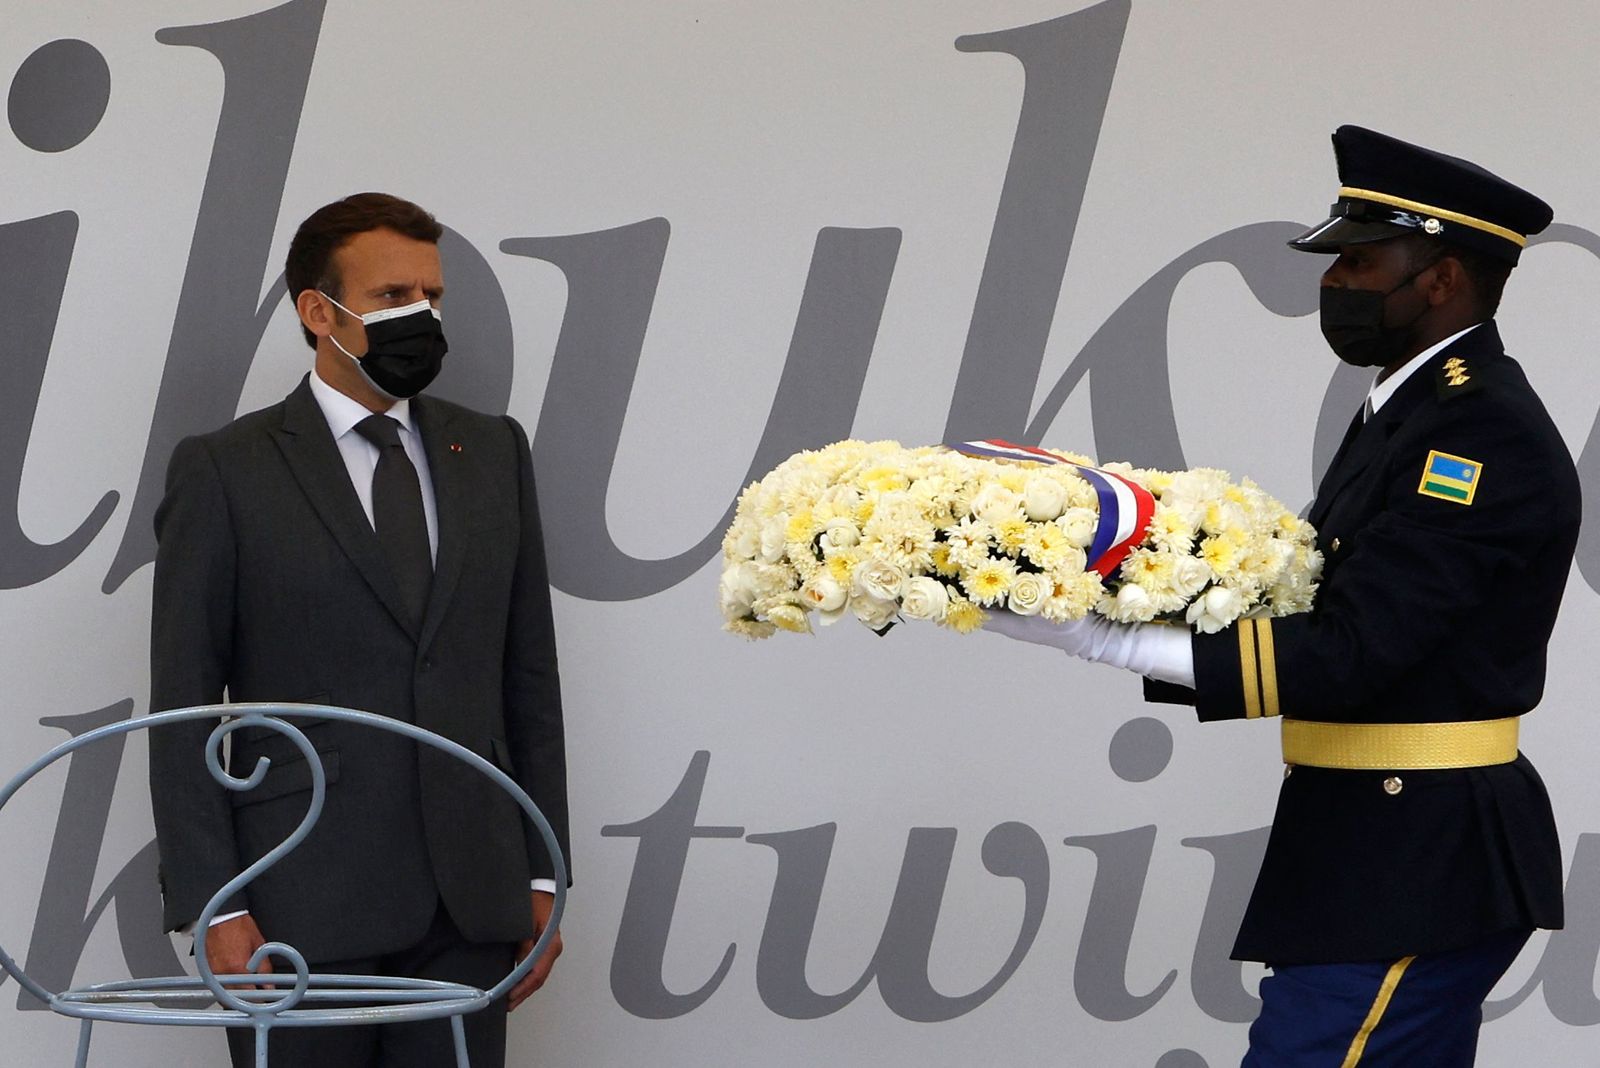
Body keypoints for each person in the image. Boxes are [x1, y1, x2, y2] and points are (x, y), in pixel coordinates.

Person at [987, 126, 1579, 1064]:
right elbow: (1311, 597)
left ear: (1442, 278)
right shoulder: (1408, 412)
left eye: (1360, 259)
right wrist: (1106, 575)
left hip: (1416, 859)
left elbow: (1347, 654)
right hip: (1375, 844)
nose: (1336, 281)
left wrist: (1102, 639)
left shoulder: (1474, 436)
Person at [148, 192, 570, 1067]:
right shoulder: (226, 471)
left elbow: (528, 677)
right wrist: (213, 905)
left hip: (472, 901)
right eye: (391, 297)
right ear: (318, 313)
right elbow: (182, 705)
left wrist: (541, 873)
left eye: (433, 295)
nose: (422, 316)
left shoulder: (494, 452)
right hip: (297, 905)